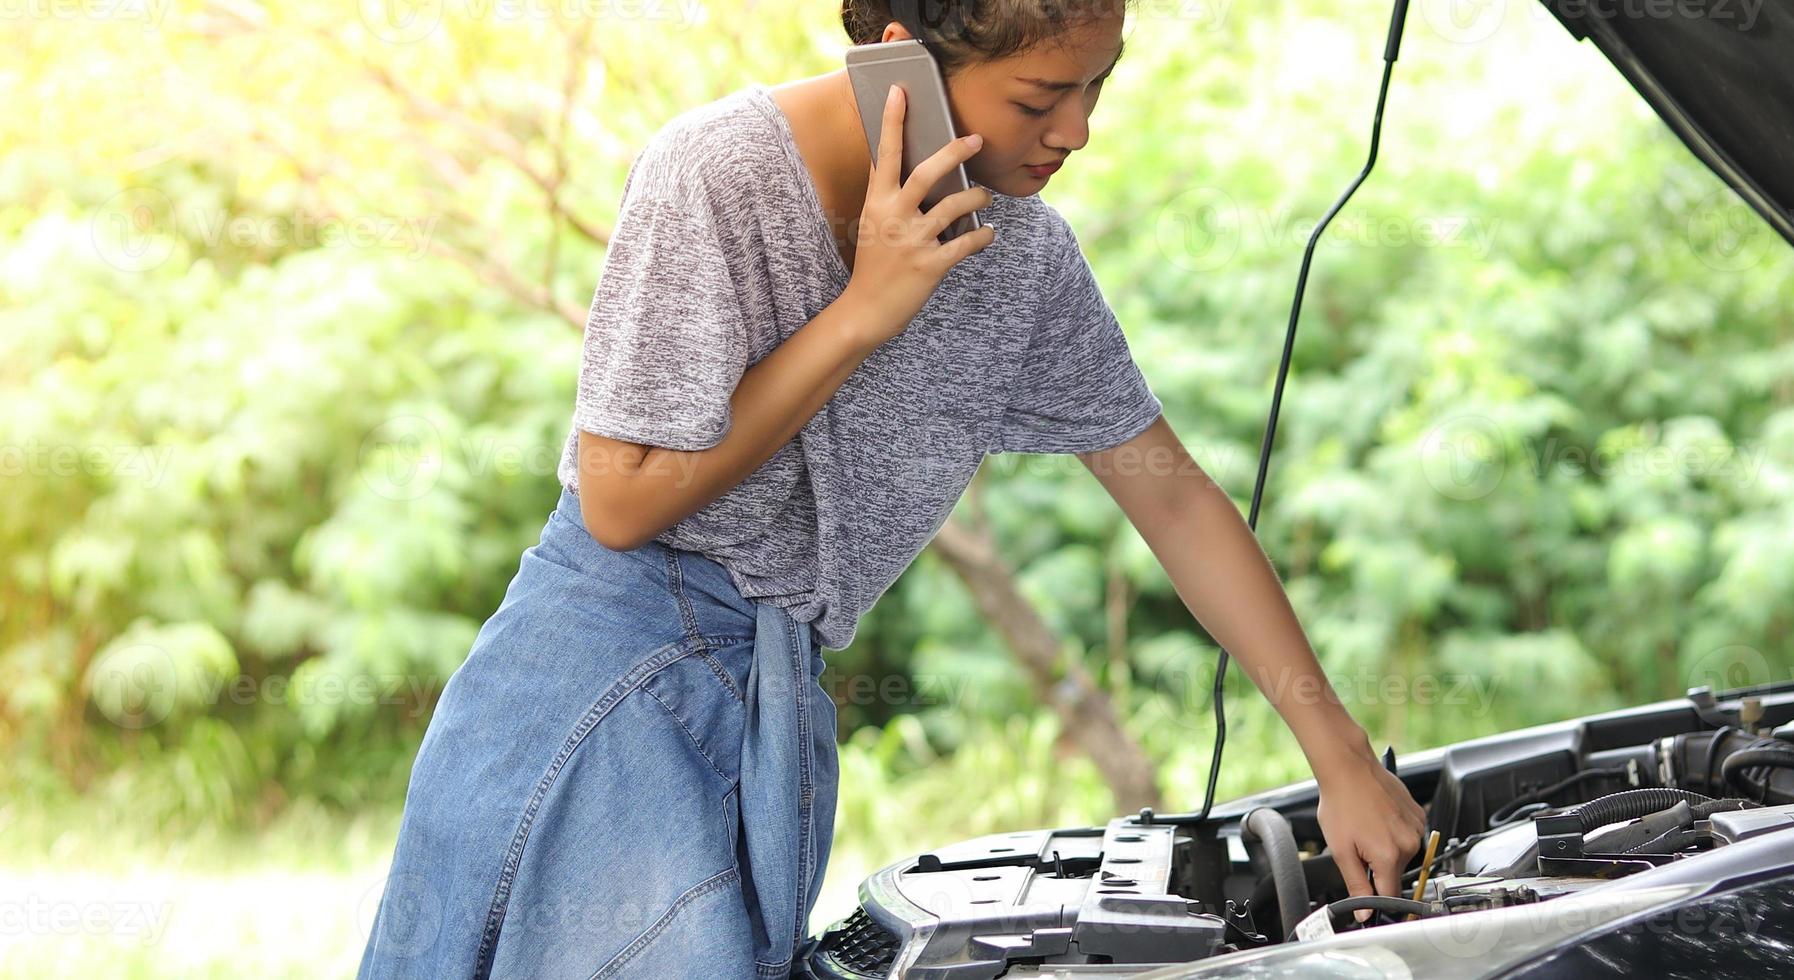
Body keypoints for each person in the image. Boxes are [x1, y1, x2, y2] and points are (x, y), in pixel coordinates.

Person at [357, 1, 1428, 976]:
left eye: (1096, 85)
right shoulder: (714, 175)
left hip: (765, 708)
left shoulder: (1019, 258)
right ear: (897, 63)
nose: (1076, 131)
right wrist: (867, 306)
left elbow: (1175, 498)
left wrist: (1338, 760)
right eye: (1039, 97)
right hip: (598, 700)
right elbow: (621, 496)